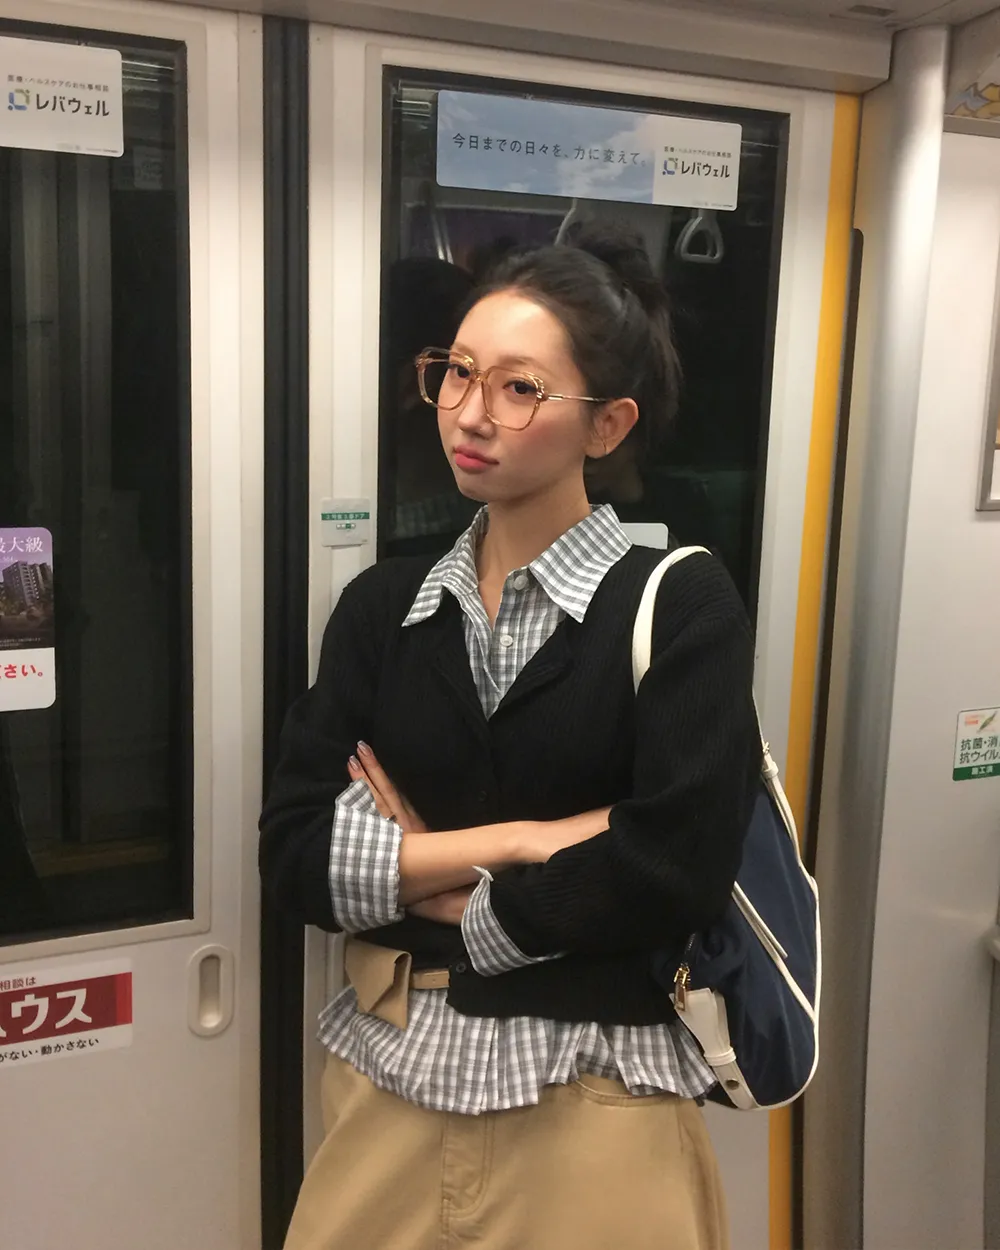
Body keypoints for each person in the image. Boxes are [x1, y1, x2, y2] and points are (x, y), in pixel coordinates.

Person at [259, 223, 761, 1250]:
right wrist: (526, 841)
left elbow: (674, 866)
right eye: (457, 372)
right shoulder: (383, 608)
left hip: (595, 1099)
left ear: (607, 425)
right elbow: (296, 854)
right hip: (389, 1081)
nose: (470, 413)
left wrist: (440, 887)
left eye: (520, 388)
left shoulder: (677, 604)